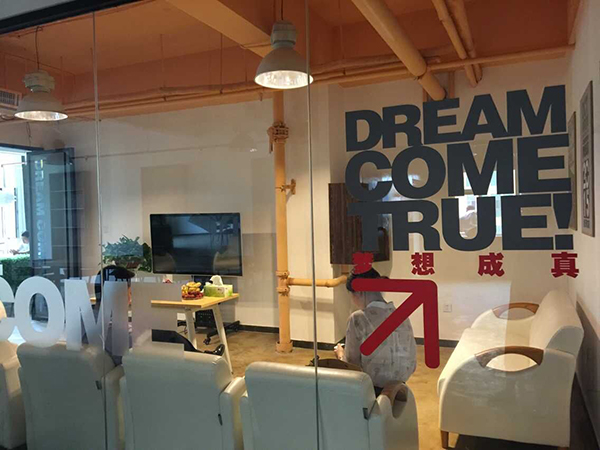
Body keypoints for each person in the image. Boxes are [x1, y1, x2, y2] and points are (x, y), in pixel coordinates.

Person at [334, 268, 417, 395]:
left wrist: (340, 355)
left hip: (371, 391)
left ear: (359, 292)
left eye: (351, 295)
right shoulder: (402, 315)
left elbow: (351, 366)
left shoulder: (358, 319)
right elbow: (412, 363)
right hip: (401, 389)